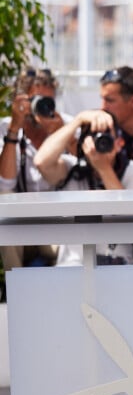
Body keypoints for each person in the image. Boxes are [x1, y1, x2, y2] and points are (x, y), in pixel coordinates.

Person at [33, 108, 133, 266]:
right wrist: (77, 121)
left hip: (120, 265)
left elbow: (128, 212)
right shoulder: (71, 168)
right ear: (84, 143)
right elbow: (41, 162)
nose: (100, 141)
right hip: (73, 265)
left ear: (119, 143)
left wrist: (103, 168)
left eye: (106, 135)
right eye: (93, 136)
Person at [0, 67, 68, 276]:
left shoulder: (65, 125)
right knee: (2, 200)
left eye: (49, 100)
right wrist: (14, 131)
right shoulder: (6, 128)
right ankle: (16, 286)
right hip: (20, 228)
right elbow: (6, 184)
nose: (43, 106)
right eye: (36, 100)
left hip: (61, 227)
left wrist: (62, 137)